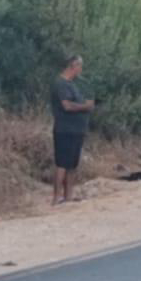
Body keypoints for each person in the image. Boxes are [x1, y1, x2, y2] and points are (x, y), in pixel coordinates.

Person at [49, 55, 95, 206]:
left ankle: (69, 196)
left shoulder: (73, 84)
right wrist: (86, 106)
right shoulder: (61, 84)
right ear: (73, 66)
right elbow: (67, 106)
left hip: (77, 129)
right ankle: (56, 198)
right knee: (62, 163)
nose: (80, 70)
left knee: (72, 164)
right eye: (79, 67)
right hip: (65, 129)